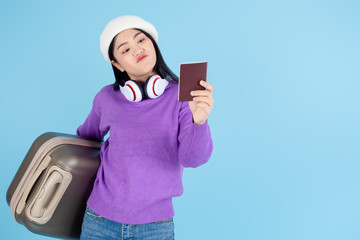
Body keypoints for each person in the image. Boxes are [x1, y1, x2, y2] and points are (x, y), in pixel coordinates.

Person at [76, 15, 214, 240]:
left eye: (141, 40)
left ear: (153, 43)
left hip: (155, 227)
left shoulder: (182, 96)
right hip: (99, 220)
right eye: (125, 49)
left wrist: (199, 121)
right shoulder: (106, 98)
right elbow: (84, 140)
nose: (137, 49)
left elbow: (193, 159)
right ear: (117, 64)